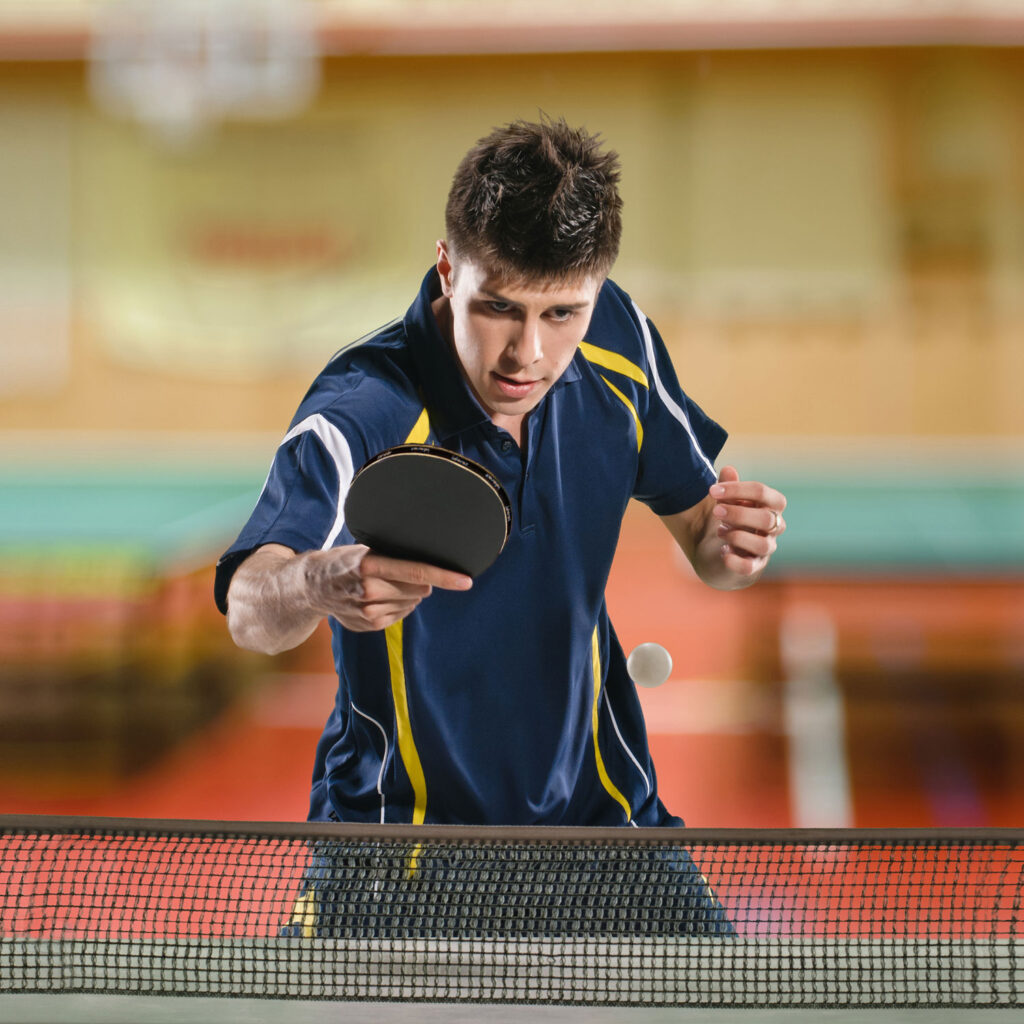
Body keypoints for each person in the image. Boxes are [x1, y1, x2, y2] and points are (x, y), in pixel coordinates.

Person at [215, 117, 787, 833]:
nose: (529, 353)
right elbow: (248, 609)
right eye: (498, 308)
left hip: (605, 819)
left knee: (720, 956)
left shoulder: (621, 340)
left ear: (596, 289)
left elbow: (706, 537)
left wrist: (727, 548)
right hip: (400, 844)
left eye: (563, 312)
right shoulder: (364, 409)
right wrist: (312, 583)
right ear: (449, 269)